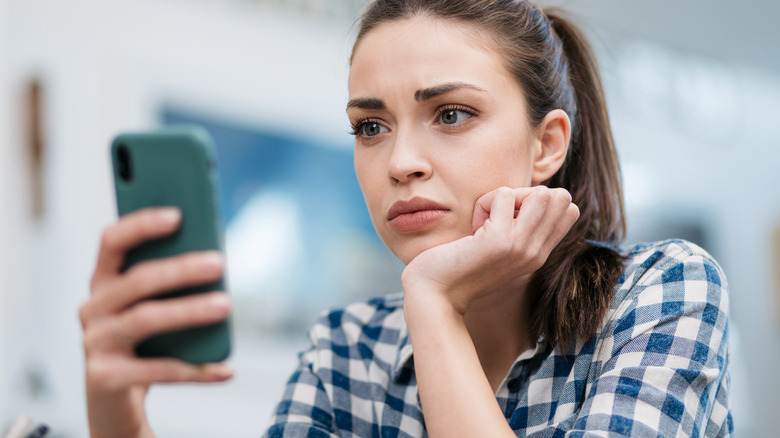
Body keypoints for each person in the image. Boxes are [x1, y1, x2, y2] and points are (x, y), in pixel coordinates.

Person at [79, 0, 732, 436]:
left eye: (450, 114)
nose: (400, 161)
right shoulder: (346, 348)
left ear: (547, 145)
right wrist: (118, 416)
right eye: (370, 126)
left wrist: (433, 302)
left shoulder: (664, 291)